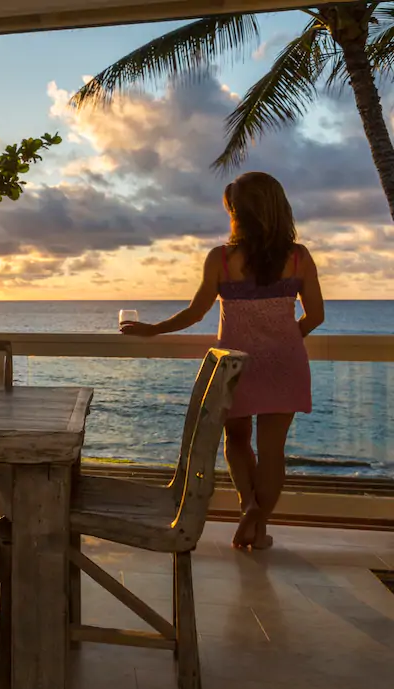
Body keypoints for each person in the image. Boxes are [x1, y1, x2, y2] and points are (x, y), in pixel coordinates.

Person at [120, 172, 324, 550]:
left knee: (236, 440)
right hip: (285, 361)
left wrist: (151, 330)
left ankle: (249, 507)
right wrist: (286, 337)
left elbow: (195, 313)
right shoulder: (298, 257)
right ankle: (257, 525)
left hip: (235, 367)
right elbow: (315, 316)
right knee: (273, 450)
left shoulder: (222, 259)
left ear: (239, 214)